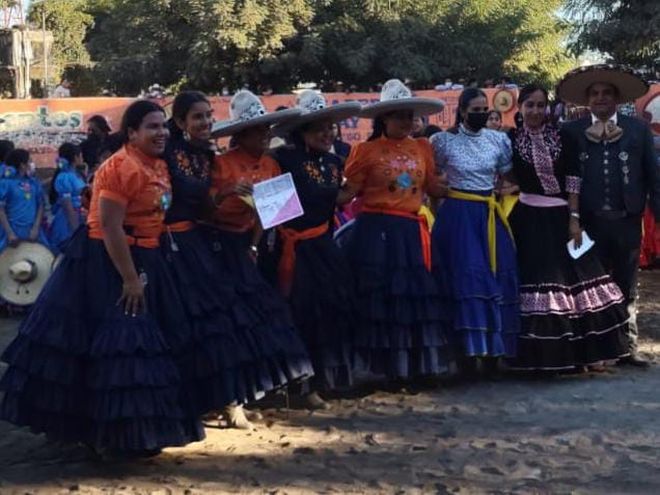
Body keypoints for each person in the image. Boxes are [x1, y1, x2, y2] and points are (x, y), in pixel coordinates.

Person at [0, 100, 204, 457]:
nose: (161, 133)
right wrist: (129, 279)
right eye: (152, 127)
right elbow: (109, 226)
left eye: (163, 126)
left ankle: (141, 429)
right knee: (121, 345)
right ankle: (113, 435)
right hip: (109, 263)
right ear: (132, 132)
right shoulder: (120, 167)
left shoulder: (156, 164)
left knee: (149, 346)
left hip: (150, 257)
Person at [163, 91, 312, 428]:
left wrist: (256, 245)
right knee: (226, 325)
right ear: (241, 134)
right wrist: (227, 193)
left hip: (250, 247)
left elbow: (272, 214)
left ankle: (244, 396)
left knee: (255, 321)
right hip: (214, 245)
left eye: (267, 131)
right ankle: (229, 403)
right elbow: (205, 209)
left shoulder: (272, 164)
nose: (265, 136)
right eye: (259, 131)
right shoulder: (220, 163)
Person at [507, 84, 629, 372]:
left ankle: (584, 354)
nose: (536, 111)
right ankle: (540, 357)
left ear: (547, 108)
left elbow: (574, 179)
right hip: (527, 220)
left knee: (578, 280)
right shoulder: (509, 140)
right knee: (536, 281)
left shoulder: (562, 137)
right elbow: (502, 172)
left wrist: (574, 218)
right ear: (520, 108)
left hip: (561, 217)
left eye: (540, 105)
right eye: (530, 105)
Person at [339, 79, 453, 383]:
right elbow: (349, 192)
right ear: (384, 118)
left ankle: (413, 367)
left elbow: (427, 185)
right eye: (399, 115)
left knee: (414, 298)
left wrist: (457, 185)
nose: (406, 121)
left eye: (409, 114)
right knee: (384, 298)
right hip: (377, 233)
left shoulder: (423, 147)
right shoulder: (366, 151)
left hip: (412, 232)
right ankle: (387, 369)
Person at [258, 90, 361, 408]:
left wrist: (365, 180)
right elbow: (271, 213)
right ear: (300, 130)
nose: (327, 132)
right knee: (296, 315)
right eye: (318, 127)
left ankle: (319, 381)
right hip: (292, 249)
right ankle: (292, 384)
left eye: (330, 126)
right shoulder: (281, 159)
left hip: (324, 248)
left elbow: (338, 199)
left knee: (327, 314)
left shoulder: (333, 162)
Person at [558, 64, 660, 368]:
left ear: (616, 99)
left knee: (627, 285)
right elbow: (564, 178)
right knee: (591, 287)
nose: (600, 98)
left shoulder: (637, 129)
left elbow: (654, 178)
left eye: (606, 93)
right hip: (587, 222)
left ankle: (628, 347)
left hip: (628, 220)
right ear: (587, 99)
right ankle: (597, 350)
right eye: (595, 93)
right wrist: (568, 217)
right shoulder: (571, 131)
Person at [430, 87, 519, 375]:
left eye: (485, 110)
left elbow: (508, 176)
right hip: (458, 216)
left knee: (496, 278)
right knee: (465, 281)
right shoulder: (442, 141)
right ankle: (466, 354)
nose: (481, 114)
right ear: (462, 111)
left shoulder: (499, 139)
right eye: (475, 110)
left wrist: (507, 191)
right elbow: (432, 176)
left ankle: (494, 351)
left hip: (489, 214)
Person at [0, 149, 49, 252]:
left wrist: (36, 228)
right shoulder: (6, 184)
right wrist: (10, 233)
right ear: (22, 165)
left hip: (33, 231)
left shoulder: (33, 183)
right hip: (12, 231)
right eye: (29, 161)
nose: (31, 164)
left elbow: (41, 205)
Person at [48, 143, 87, 255]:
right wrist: (76, 230)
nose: (82, 158)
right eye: (81, 155)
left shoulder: (75, 174)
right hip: (69, 222)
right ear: (75, 157)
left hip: (80, 216)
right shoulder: (64, 177)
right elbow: (68, 206)